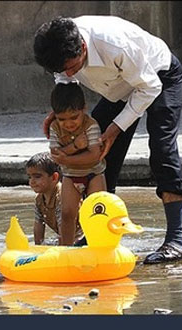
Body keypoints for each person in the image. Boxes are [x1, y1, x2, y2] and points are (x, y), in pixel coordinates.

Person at [33, 15, 182, 263]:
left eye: (74, 67)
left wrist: (116, 129)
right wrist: (59, 111)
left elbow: (148, 87)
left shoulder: (115, 45)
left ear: (82, 47)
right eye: (61, 69)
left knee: (162, 148)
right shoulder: (60, 43)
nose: (69, 73)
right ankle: (99, 232)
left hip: (159, 76)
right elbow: (65, 79)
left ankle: (176, 240)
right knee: (97, 158)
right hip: (120, 88)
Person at [48, 82, 107, 246]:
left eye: (74, 117)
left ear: (84, 109)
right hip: (70, 176)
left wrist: (66, 157)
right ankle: (66, 249)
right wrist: (75, 147)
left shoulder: (91, 125)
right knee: (67, 214)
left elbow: (94, 156)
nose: (69, 124)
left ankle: (100, 245)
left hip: (93, 174)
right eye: (62, 119)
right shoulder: (54, 128)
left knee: (98, 211)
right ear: (54, 116)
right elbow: (55, 155)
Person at [25, 152, 85, 246]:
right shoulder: (39, 199)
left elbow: (64, 231)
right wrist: (37, 250)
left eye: (37, 176)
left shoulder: (62, 196)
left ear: (54, 177)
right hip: (69, 240)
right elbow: (38, 227)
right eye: (29, 177)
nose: (32, 181)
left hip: (82, 239)